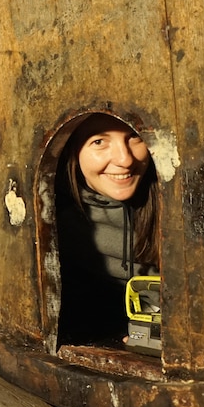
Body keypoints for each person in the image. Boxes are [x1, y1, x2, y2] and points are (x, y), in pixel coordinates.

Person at [55, 113, 160, 346]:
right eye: (99, 142)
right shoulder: (54, 225)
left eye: (135, 137)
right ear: (72, 149)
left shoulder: (176, 201)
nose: (125, 159)